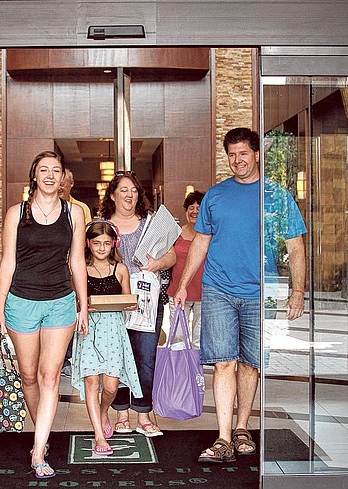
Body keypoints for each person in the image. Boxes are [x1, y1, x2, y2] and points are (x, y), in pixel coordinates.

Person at [174, 127, 306, 464]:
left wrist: (298, 291)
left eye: (243, 153)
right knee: (223, 362)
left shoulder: (277, 195)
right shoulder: (216, 196)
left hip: (259, 293)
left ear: (257, 154)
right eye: (231, 154)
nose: (237, 160)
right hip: (218, 289)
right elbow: (200, 242)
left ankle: (243, 427)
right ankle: (222, 436)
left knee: (250, 364)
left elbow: (295, 245)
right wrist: (183, 284)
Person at [0, 151, 89, 479]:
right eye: (43, 170)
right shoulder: (16, 214)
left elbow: (77, 261)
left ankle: (38, 450)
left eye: (56, 171)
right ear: (34, 175)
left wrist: (83, 305)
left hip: (60, 302)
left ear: (63, 178)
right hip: (21, 301)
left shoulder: (74, 213)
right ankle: (41, 436)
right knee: (29, 376)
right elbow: (8, 263)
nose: (50, 175)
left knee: (50, 376)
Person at [101, 170, 176, 437]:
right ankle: (121, 413)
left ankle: (143, 413)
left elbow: (171, 255)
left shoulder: (151, 223)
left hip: (147, 300)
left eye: (133, 190)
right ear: (112, 195)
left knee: (145, 356)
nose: (129, 195)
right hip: (113, 302)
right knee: (117, 357)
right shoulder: (101, 225)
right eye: (123, 190)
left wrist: (158, 263)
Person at [71, 220, 142, 456]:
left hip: (113, 331)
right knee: (92, 382)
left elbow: (128, 301)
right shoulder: (79, 268)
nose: (102, 248)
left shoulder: (120, 269)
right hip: (89, 330)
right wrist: (81, 307)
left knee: (111, 386)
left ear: (114, 244)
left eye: (107, 243)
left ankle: (103, 412)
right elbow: (74, 300)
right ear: (88, 243)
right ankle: (99, 435)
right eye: (97, 243)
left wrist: (131, 304)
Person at [60, 169, 91, 377]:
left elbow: (87, 238)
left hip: (74, 269)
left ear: (72, 184)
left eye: (65, 182)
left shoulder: (80, 209)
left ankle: (67, 357)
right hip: (55, 274)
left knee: (74, 312)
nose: (60, 185)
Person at [167, 190, 205, 349]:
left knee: (199, 340)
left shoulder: (209, 235)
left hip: (203, 295)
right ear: (185, 210)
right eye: (191, 207)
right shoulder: (176, 233)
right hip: (177, 292)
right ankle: (179, 372)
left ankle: (195, 373)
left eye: (199, 207)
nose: (195, 211)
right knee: (177, 338)